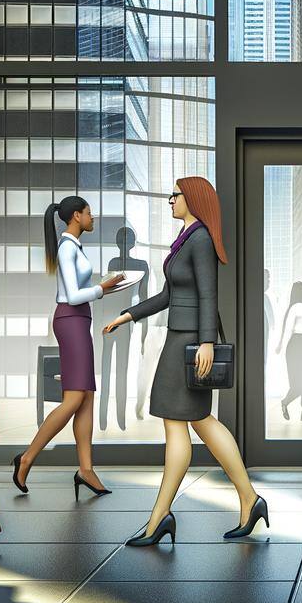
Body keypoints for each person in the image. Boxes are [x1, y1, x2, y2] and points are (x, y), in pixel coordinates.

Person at [102, 176, 267, 546]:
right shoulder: (186, 239)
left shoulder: (201, 240)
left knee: (184, 424)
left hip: (191, 343)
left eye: (175, 195)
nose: (170, 200)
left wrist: (206, 342)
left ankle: (160, 517)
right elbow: (167, 295)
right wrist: (128, 315)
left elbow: (209, 294)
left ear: (192, 198)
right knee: (200, 423)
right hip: (180, 339)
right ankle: (247, 500)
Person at [12, 196, 124, 496]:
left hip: (79, 321)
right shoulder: (66, 248)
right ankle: (26, 458)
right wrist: (104, 287)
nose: (92, 217)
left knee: (86, 396)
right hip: (71, 320)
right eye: (89, 213)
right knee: (74, 398)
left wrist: (105, 288)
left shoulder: (73, 246)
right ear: (76, 216)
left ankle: (86, 470)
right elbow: (73, 295)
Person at [98, 226, 149, 431]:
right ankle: (105, 418)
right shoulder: (114, 263)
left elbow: (144, 298)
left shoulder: (138, 265)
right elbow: (107, 293)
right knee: (110, 369)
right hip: (112, 320)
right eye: (122, 238)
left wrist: (144, 332)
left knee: (120, 369)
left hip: (124, 319)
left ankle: (119, 419)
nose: (125, 242)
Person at [275, 281, 302, 421]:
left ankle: (294, 406)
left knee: (301, 380)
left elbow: (288, 328)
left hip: (297, 344)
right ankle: (300, 408)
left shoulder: (295, 307)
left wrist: (281, 345)